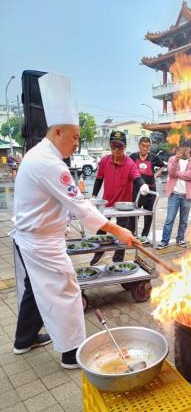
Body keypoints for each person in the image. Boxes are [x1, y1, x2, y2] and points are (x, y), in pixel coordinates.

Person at [12, 72, 139, 369]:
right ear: (57, 133)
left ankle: (23, 339)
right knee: (67, 291)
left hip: (30, 238)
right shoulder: (49, 163)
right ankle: (72, 353)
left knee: (35, 288)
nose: (77, 143)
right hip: (42, 243)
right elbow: (80, 205)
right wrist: (116, 229)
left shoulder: (38, 155)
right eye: (74, 136)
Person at [90, 131, 149, 264]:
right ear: (110, 146)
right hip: (106, 204)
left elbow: (137, 178)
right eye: (113, 146)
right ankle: (99, 251)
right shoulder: (105, 161)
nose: (116, 150)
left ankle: (118, 260)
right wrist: (93, 196)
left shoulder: (129, 163)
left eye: (120, 147)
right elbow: (99, 179)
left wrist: (143, 186)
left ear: (125, 147)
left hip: (123, 206)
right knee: (101, 229)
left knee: (122, 233)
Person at [157, 140, 191, 249]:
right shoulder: (172, 159)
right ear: (179, 148)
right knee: (169, 219)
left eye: (187, 147)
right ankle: (164, 241)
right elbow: (171, 172)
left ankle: (180, 239)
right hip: (174, 194)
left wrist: (178, 174)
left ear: (189, 149)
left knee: (184, 220)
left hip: (186, 195)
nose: (184, 149)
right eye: (182, 147)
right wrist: (176, 160)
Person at [129, 136, 164, 244]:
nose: (145, 148)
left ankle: (144, 236)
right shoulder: (133, 156)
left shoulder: (153, 157)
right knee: (135, 213)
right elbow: (128, 168)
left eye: (147, 146)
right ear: (139, 145)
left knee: (149, 214)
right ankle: (132, 234)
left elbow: (162, 166)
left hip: (150, 191)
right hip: (136, 191)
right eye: (143, 146)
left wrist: (155, 175)